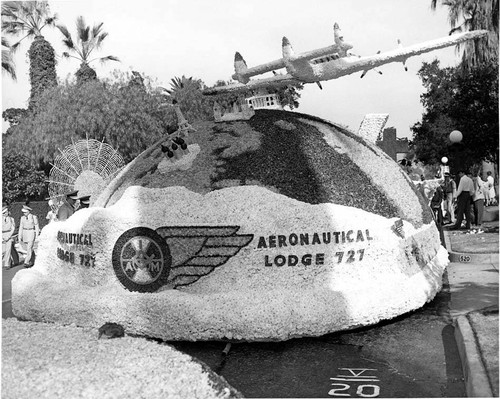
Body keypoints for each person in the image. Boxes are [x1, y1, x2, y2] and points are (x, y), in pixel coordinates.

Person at [2, 205, 16, 269]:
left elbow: (13, 228)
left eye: (6, 212)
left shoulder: (11, 219)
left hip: (9, 235)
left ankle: (7, 264)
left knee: (8, 250)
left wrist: (8, 236)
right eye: (4, 213)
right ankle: (11, 261)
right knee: (3, 251)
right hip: (2, 235)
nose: (5, 214)